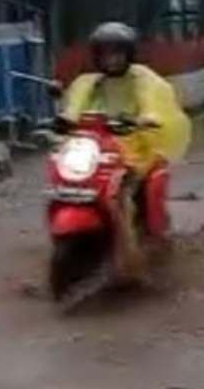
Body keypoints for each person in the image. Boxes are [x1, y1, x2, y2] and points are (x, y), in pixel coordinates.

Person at [59, 22, 191, 271]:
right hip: (96, 146)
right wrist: (65, 119)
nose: (111, 59)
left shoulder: (141, 78)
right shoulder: (90, 82)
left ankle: (135, 247)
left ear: (128, 54)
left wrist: (147, 116)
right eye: (105, 53)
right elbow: (75, 104)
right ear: (97, 56)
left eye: (117, 53)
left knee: (126, 190)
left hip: (135, 146)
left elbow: (150, 100)